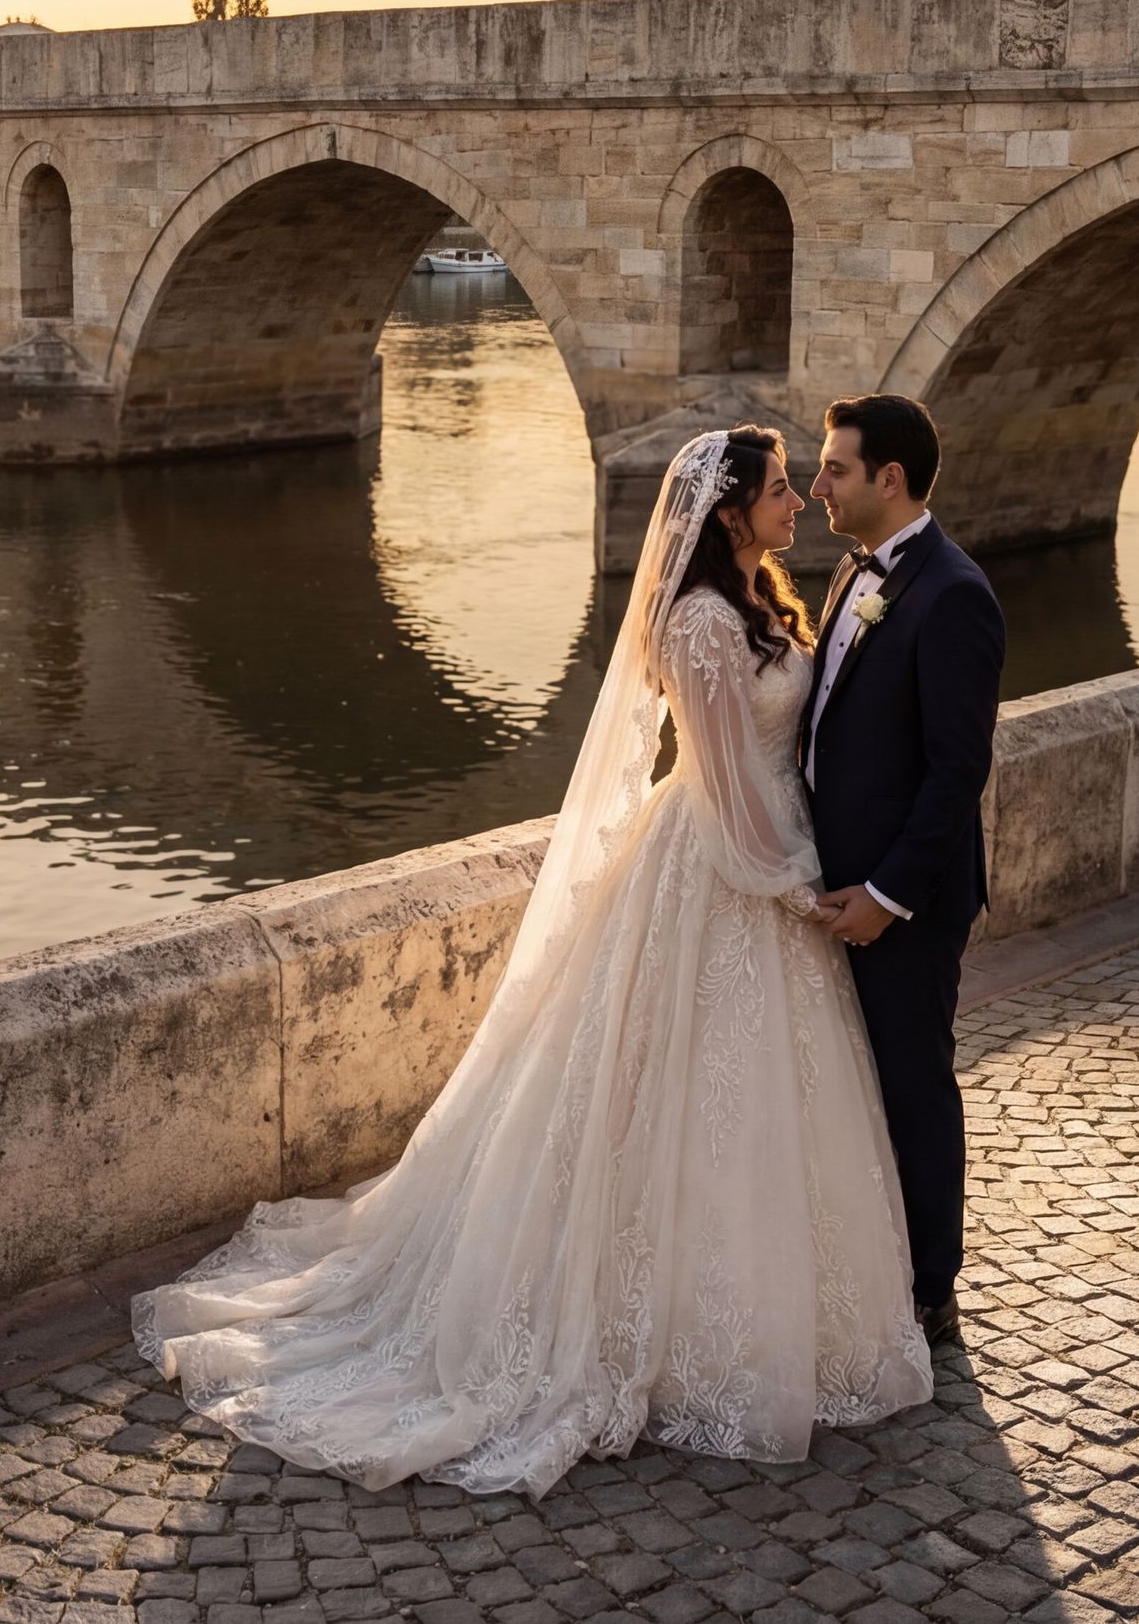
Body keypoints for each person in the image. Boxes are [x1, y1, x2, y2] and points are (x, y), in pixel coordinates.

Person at [137, 426, 933, 1495]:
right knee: (673, 1098)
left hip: (771, 856)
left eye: (804, 483)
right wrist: (792, 882)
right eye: (782, 488)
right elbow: (722, 782)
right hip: (724, 867)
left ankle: (774, 1314)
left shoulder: (760, 598)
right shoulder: (700, 620)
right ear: (730, 512)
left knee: (754, 1106)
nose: (799, 502)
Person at [800, 395, 1006, 1346]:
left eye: (835, 468)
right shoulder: (854, 571)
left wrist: (887, 897)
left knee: (913, 1082)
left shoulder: (953, 593)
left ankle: (930, 1289)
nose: (818, 484)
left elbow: (957, 770)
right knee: (849, 1084)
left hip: (901, 904)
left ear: (890, 478)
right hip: (831, 887)